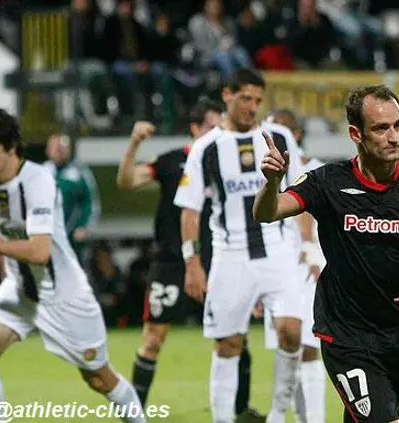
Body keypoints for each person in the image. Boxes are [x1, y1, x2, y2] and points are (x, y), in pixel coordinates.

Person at [253, 85, 399, 423]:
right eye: (381, 129)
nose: (393, 136)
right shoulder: (327, 183)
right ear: (356, 134)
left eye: (397, 125)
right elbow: (268, 212)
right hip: (347, 336)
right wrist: (270, 183)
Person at [0, 108, 146, 422]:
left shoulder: (39, 182)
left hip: (65, 296)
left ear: (10, 148)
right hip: (20, 290)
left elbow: (40, 252)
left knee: (98, 378)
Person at [116, 99, 264, 421]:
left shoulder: (226, 161)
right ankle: (134, 412)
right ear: (195, 129)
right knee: (153, 338)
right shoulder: (171, 162)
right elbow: (127, 181)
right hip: (170, 263)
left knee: (234, 335)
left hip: (217, 261)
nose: (217, 132)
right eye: (211, 126)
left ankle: (240, 410)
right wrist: (134, 143)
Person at [174, 68, 307, 423]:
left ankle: (279, 414)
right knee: (228, 343)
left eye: (258, 101)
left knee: (292, 331)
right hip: (231, 254)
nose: (252, 107)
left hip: (278, 249)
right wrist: (192, 262)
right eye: (245, 98)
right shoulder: (206, 147)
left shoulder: (278, 136)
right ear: (227, 96)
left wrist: (308, 248)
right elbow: (190, 209)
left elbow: (301, 191)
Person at [263, 108, 326, 423]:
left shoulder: (317, 171)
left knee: (309, 346)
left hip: (308, 264)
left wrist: (310, 246)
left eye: (278, 130)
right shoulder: (264, 174)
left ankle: (312, 419)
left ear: (295, 135)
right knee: (288, 347)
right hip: (275, 267)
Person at [44, 133, 101, 260]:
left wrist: (84, 226)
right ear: (48, 151)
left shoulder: (79, 172)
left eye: (61, 148)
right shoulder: (43, 171)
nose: (58, 151)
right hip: (47, 236)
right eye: (54, 148)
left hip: (71, 234)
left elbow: (90, 201)